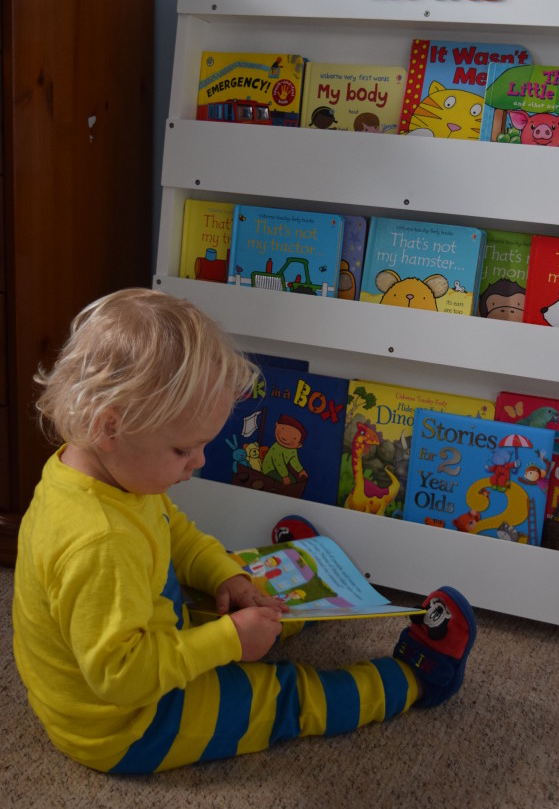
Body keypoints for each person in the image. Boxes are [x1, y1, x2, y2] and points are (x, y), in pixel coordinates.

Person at [12, 288, 477, 774]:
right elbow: (122, 676)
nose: (200, 463)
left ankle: (306, 584)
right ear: (110, 427)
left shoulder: (97, 469)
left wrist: (224, 577)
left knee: (248, 590)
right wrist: (228, 642)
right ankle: (420, 678)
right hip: (129, 722)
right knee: (285, 697)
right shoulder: (100, 542)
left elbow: (177, 533)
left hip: (143, 632)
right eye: (183, 451)